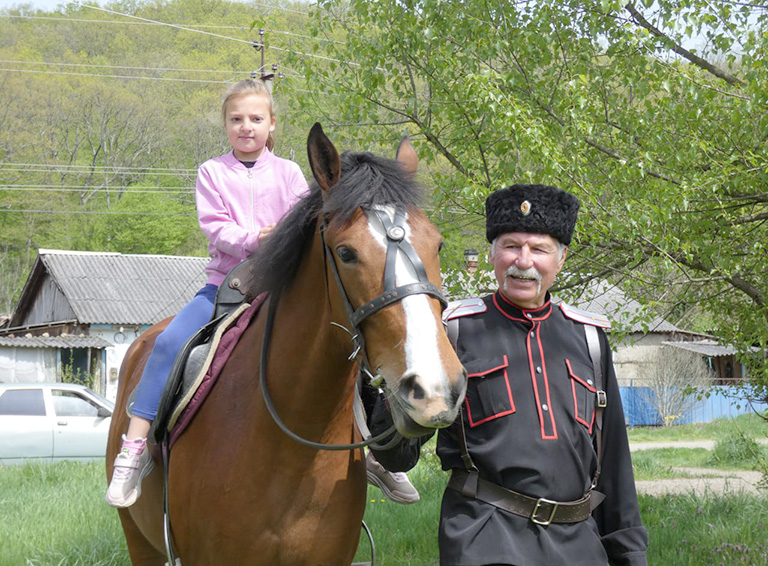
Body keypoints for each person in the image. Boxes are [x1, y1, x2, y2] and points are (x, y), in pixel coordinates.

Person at [371, 184, 648, 565]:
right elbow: (397, 455)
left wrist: (629, 554)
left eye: (539, 249)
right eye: (511, 246)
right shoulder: (452, 332)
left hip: (579, 544)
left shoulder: (589, 340)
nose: (523, 261)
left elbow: (614, 464)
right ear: (491, 254)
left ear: (561, 258)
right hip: (484, 536)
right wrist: (389, 380)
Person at [106, 78, 309, 508]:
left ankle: (370, 450)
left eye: (256, 118)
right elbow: (215, 226)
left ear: (273, 124)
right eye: (236, 119)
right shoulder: (211, 172)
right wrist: (257, 238)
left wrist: (285, 237)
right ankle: (135, 449)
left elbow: (305, 223)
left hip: (282, 287)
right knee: (167, 343)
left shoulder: (290, 173)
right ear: (225, 126)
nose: (246, 126)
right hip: (225, 285)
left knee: (337, 340)